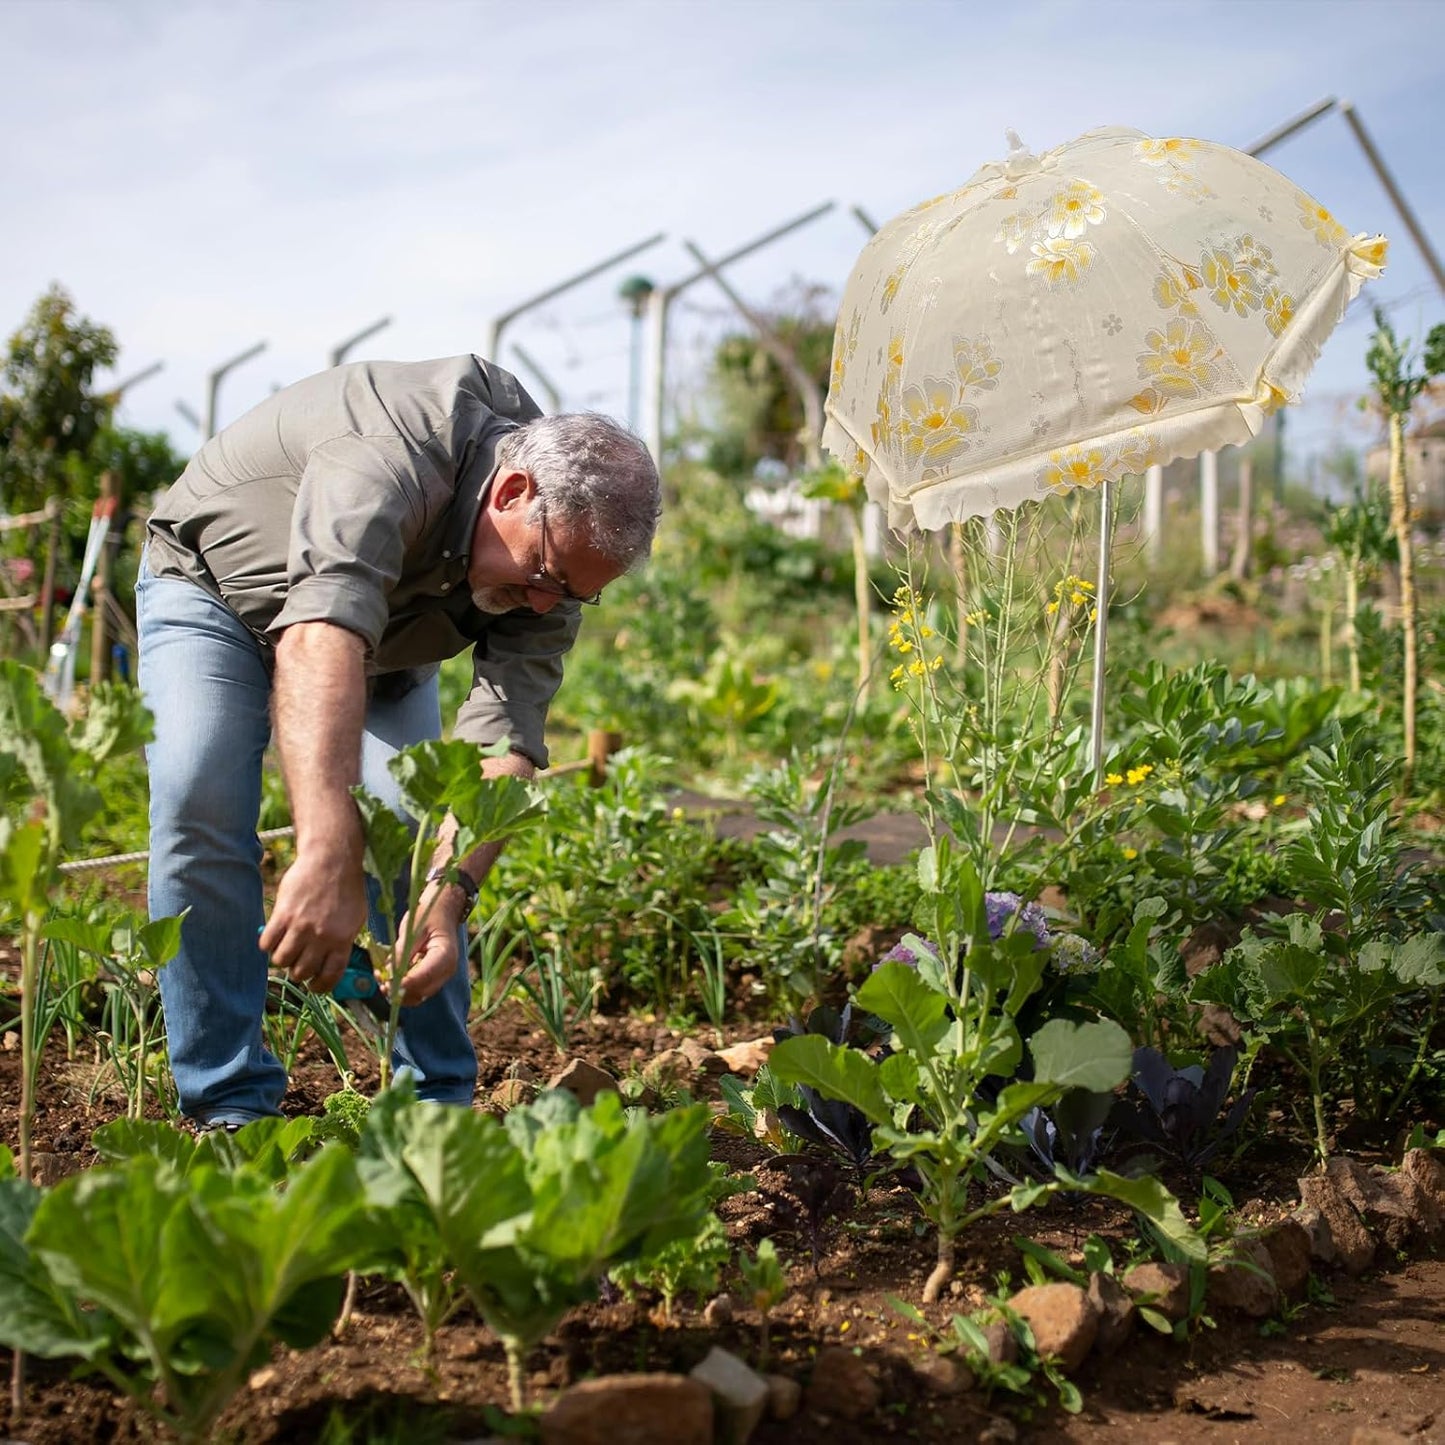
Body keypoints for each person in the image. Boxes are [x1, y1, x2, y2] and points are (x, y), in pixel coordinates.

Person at [138, 354, 660, 1128]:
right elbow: (319, 637)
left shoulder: (552, 571)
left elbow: (504, 746)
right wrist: (326, 851)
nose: (548, 602)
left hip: (384, 641)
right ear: (510, 492)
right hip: (218, 591)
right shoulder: (389, 450)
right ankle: (230, 1105)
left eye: (573, 592)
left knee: (416, 828)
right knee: (199, 791)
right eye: (545, 572)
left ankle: (434, 1107)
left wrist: (446, 903)